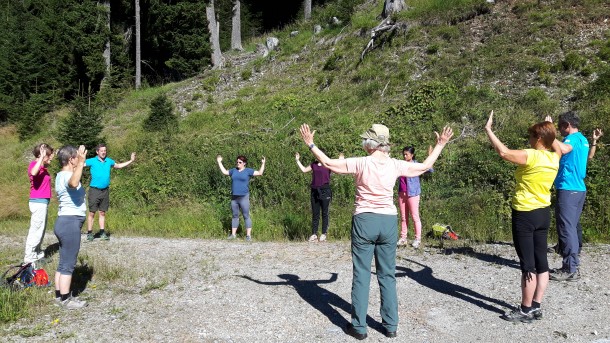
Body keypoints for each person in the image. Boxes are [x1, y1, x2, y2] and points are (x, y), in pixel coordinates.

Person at [299, 122, 453, 339]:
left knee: (362, 274)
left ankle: (359, 328)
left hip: (364, 220)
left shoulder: (361, 162)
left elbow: (328, 163)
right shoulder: (396, 164)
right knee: (387, 274)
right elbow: (423, 166)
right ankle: (390, 326)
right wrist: (440, 144)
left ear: (370, 143)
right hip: (388, 221)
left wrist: (311, 144)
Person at [485, 111, 561, 323]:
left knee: (528, 265)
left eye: (531, 136)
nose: (528, 139)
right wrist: (550, 126)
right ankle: (536, 306)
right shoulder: (554, 158)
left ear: (538, 139)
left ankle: (525, 310)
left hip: (525, 214)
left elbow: (503, 152)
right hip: (543, 213)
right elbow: (556, 145)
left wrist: (489, 130)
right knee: (542, 263)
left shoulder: (532, 155)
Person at [544, 112, 595, 282]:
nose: (559, 130)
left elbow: (564, 149)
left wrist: (548, 132)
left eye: (560, 127)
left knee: (566, 228)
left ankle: (569, 268)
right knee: (571, 227)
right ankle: (573, 264)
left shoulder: (571, 140)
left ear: (567, 125)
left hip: (569, 188)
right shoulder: (583, 139)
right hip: (578, 188)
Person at [54, 145, 88, 309]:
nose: (79, 159)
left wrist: (81, 162)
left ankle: (59, 295)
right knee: (68, 263)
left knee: (63, 262)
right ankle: (66, 300)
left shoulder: (60, 175)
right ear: (70, 159)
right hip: (70, 222)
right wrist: (81, 163)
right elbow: (74, 183)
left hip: (64, 221)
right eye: (76, 157)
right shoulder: (68, 175)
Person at [84, 144, 136, 241]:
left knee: (102, 212)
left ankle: (102, 233)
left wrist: (131, 160)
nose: (104, 152)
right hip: (94, 190)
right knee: (92, 212)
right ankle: (89, 233)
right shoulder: (92, 161)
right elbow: (79, 165)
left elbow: (119, 166)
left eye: (105, 151)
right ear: (97, 152)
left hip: (105, 190)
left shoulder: (109, 161)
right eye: (102, 151)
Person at [295, 151, 343, 242]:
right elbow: (304, 170)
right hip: (314, 191)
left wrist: (341, 160)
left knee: (325, 213)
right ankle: (314, 234)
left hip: (325, 190)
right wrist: (297, 161)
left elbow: (338, 168)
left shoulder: (328, 164)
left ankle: (324, 233)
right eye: (316, 155)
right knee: (315, 213)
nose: (317, 156)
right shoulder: (314, 164)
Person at [217, 154, 266, 241]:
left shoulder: (248, 171)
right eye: (237, 162)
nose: (238, 163)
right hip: (234, 198)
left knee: (246, 216)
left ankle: (248, 236)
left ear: (244, 163)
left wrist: (263, 163)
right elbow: (224, 172)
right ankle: (233, 235)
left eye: (240, 162)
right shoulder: (233, 171)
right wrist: (219, 162)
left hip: (244, 197)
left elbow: (259, 173)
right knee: (235, 215)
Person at [23, 143, 54, 265]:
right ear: (42, 155)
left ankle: (38, 254)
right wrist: (41, 158)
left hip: (43, 202)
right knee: (36, 231)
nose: (51, 157)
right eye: (49, 155)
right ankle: (29, 258)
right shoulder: (34, 166)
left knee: (40, 230)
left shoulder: (43, 168)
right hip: (38, 202)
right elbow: (34, 173)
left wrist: (43, 160)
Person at [397, 146, 433, 248]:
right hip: (402, 193)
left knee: (415, 216)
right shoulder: (401, 164)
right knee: (404, 217)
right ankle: (403, 238)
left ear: (412, 155)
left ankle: (418, 239)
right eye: (403, 154)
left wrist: (430, 156)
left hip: (413, 193)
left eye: (406, 154)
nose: (404, 156)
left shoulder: (416, 165)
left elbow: (430, 169)